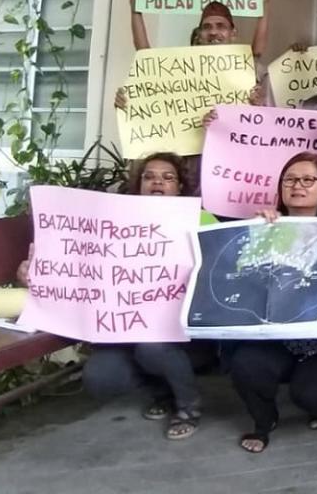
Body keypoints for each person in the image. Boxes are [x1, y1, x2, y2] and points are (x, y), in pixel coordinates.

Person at [18, 153, 209, 440]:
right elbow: (74, 268)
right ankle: (162, 391)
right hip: (122, 332)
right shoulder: (110, 222)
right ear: (139, 184)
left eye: (168, 177)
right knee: (100, 378)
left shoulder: (201, 219)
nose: (158, 181)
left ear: (180, 187)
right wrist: (33, 273)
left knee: (151, 348)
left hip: (182, 334)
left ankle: (188, 404)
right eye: (149, 176)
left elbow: (222, 268)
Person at [230, 152, 317, 453]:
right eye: (290, 179)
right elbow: (238, 275)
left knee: (315, 396)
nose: (298, 185)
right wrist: (256, 234)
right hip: (275, 336)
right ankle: (264, 420)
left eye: (308, 179)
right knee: (245, 363)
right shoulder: (264, 228)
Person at [128, 0, 271, 58]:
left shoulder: (242, 65)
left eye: (221, 26)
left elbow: (257, 52)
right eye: (207, 27)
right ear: (199, 35)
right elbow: (144, 55)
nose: (213, 32)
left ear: (233, 33)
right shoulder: (185, 65)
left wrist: (263, 4)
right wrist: (135, 5)